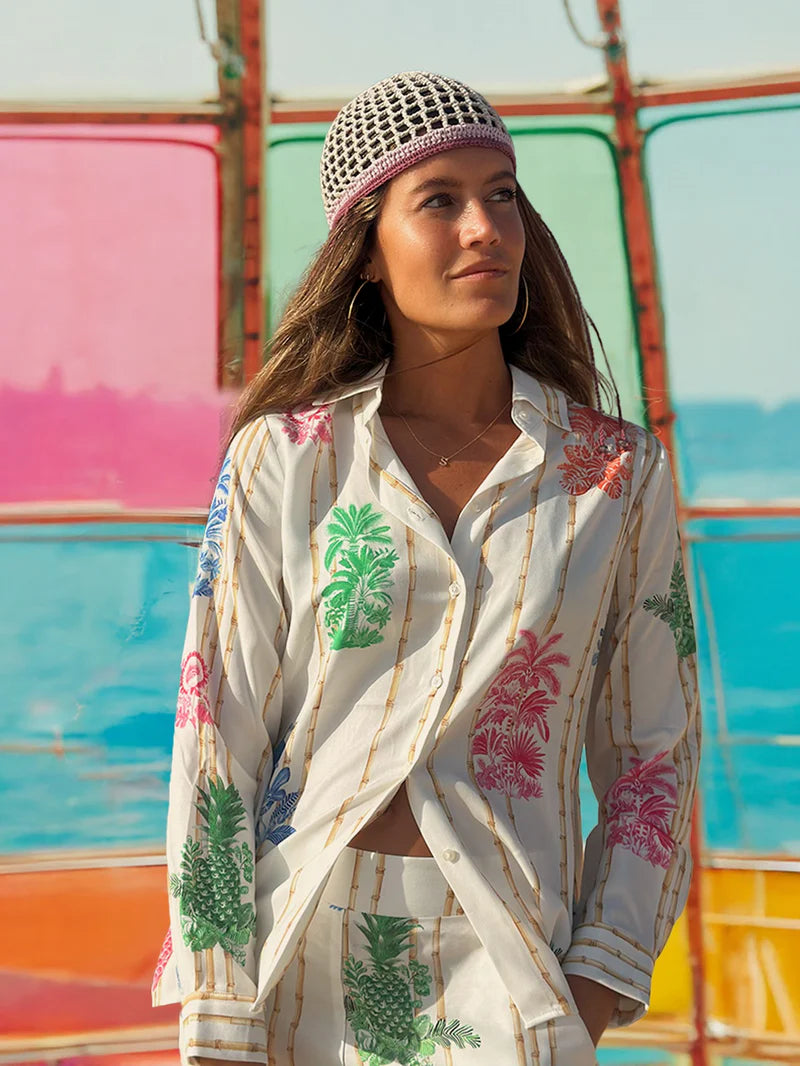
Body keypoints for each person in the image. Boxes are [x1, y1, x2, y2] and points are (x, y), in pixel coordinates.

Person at [151, 71, 701, 1066]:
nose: (484, 229)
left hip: (513, 976)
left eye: (501, 195)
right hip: (295, 964)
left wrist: (594, 985)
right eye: (438, 201)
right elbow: (216, 738)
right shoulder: (288, 458)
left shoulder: (613, 475)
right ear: (366, 248)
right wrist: (220, 1002)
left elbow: (652, 755)